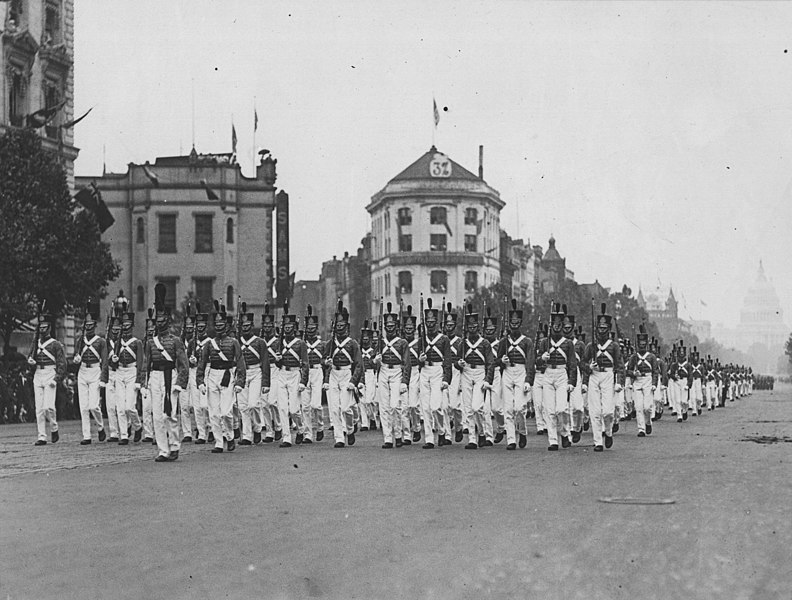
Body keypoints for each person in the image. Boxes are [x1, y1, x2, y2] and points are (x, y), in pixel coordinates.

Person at [142, 283, 189, 461]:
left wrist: (179, 384)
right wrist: (144, 383)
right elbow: (146, 363)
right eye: (158, 319)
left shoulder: (176, 341)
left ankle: (174, 445)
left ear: (168, 320)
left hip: (171, 376)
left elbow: (183, 364)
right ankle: (163, 450)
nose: (160, 322)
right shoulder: (151, 342)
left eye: (163, 319)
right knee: (156, 416)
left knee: (169, 414)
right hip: (155, 376)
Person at [198, 302, 246, 453]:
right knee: (214, 413)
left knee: (226, 412)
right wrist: (200, 381)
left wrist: (239, 382)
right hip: (212, 375)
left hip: (227, 375)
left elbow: (240, 363)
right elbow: (202, 362)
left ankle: (230, 437)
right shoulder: (209, 344)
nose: (218, 326)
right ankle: (219, 442)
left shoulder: (233, 342)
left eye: (221, 323)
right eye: (216, 323)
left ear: (226, 325)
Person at [581, 303, 625, 452]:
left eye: (604, 328)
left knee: (608, 411)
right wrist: (589, 368)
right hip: (594, 376)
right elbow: (581, 362)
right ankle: (598, 441)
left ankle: (608, 431)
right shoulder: (590, 346)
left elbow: (620, 365)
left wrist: (619, 382)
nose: (601, 331)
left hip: (608, 376)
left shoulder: (614, 346)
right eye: (599, 328)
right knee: (595, 411)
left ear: (608, 329)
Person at [535, 303, 577, 451]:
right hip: (548, 374)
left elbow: (572, 364)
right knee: (549, 410)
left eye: (560, 324)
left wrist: (572, 382)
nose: (557, 327)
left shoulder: (568, 343)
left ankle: (565, 433)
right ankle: (553, 440)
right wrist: (542, 358)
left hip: (561, 375)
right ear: (551, 325)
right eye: (554, 324)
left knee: (561, 409)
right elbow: (537, 362)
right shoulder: (544, 342)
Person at [322, 302, 364, 448]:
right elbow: (323, 359)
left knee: (346, 408)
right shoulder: (330, 343)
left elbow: (359, 364)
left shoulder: (352, 344)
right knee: (334, 408)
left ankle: (350, 429)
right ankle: (339, 437)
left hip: (346, 374)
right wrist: (326, 362)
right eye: (337, 326)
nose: (339, 329)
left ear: (346, 326)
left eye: (342, 326)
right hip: (334, 373)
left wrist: (353, 380)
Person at [103, 304, 144, 444]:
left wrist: (139, 379)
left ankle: (138, 426)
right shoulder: (117, 342)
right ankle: (124, 435)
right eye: (123, 324)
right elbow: (111, 364)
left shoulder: (136, 342)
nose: (125, 327)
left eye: (127, 324)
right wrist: (113, 360)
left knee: (130, 407)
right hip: (120, 372)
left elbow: (140, 362)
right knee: (120, 407)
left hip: (132, 372)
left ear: (131, 326)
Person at [497, 299, 534, 450]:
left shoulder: (527, 341)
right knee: (508, 408)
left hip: (520, 372)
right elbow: (497, 361)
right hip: (507, 372)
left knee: (519, 407)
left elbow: (530, 362)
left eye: (516, 321)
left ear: (520, 323)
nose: (514, 324)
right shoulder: (503, 341)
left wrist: (528, 380)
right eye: (512, 321)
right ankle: (511, 439)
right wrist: (502, 360)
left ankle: (522, 431)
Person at [456, 303, 495, 450]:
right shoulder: (463, 343)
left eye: (474, 327)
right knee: (467, 408)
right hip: (466, 373)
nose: (472, 329)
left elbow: (490, 363)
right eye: (469, 327)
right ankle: (472, 438)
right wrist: (459, 363)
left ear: (478, 328)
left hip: (480, 373)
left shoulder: (484, 343)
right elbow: (456, 363)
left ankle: (483, 432)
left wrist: (487, 380)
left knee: (477, 407)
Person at [28, 303, 65, 445]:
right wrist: (30, 361)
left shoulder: (55, 344)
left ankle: (54, 427)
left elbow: (62, 364)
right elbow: (30, 357)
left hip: (50, 373)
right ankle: (41, 436)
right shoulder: (35, 342)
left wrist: (57, 378)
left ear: (49, 328)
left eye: (45, 327)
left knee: (48, 407)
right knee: (39, 409)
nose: (42, 330)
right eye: (40, 327)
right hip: (38, 374)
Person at [417, 298, 452, 449]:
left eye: (432, 322)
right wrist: (420, 359)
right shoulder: (422, 339)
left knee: (436, 406)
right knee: (425, 407)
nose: (430, 325)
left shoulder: (444, 339)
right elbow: (417, 360)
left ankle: (442, 431)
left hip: (438, 371)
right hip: (425, 371)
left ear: (437, 323)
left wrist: (446, 378)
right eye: (428, 322)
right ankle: (429, 439)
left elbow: (448, 361)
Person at [375, 302, 410, 448]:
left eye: (392, 326)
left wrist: (404, 381)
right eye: (387, 326)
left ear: (396, 326)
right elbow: (371, 361)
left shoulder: (402, 343)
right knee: (384, 407)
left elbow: (407, 363)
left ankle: (398, 434)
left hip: (396, 372)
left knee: (395, 406)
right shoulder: (380, 342)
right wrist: (375, 360)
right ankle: (387, 438)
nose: (389, 329)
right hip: (383, 371)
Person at [273, 304, 308, 448]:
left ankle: (300, 429)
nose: (287, 329)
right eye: (285, 327)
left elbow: (305, 363)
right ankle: (286, 437)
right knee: (282, 407)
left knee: (294, 409)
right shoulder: (279, 343)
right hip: (282, 374)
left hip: (295, 374)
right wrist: (277, 360)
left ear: (294, 328)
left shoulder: (300, 344)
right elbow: (277, 363)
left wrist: (303, 381)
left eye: (290, 327)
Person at [73, 299, 107, 445]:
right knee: (84, 406)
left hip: (95, 371)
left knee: (94, 405)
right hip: (82, 372)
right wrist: (76, 358)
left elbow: (104, 361)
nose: (89, 328)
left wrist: (104, 377)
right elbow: (76, 354)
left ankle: (100, 426)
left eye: (91, 325)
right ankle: (86, 435)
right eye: (87, 326)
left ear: (95, 325)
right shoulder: (79, 340)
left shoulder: (100, 341)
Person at [237, 303, 270, 445]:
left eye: (248, 326)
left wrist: (266, 382)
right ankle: (247, 436)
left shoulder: (259, 342)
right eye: (243, 326)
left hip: (256, 372)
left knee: (253, 404)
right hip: (242, 374)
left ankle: (257, 428)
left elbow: (265, 362)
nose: (245, 328)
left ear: (252, 326)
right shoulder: (237, 341)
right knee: (243, 406)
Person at [625, 324, 658, 437]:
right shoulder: (634, 357)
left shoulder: (651, 357)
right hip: (637, 381)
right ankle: (641, 429)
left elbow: (655, 371)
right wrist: (633, 373)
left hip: (648, 380)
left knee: (647, 407)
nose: (642, 346)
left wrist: (654, 384)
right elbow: (628, 371)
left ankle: (648, 422)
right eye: (640, 345)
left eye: (644, 344)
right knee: (638, 407)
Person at [301, 305, 326, 443]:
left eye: (312, 329)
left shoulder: (322, 345)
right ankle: (308, 434)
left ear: (316, 329)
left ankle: (320, 426)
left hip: (317, 371)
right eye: (308, 329)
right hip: (305, 372)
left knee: (316, 405)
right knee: (305, 406)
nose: (310, 331)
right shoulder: (302, 344)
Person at [260, 304, 283, 443]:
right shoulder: (259, 341)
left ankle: (279, 426)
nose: (267, 327)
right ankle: (269, 431)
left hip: (275, 370)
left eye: (269, 325)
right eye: (265, 325)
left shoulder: (278, 341)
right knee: (264, 403)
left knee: (273, 401)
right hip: (263, 370)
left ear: (273, 325)